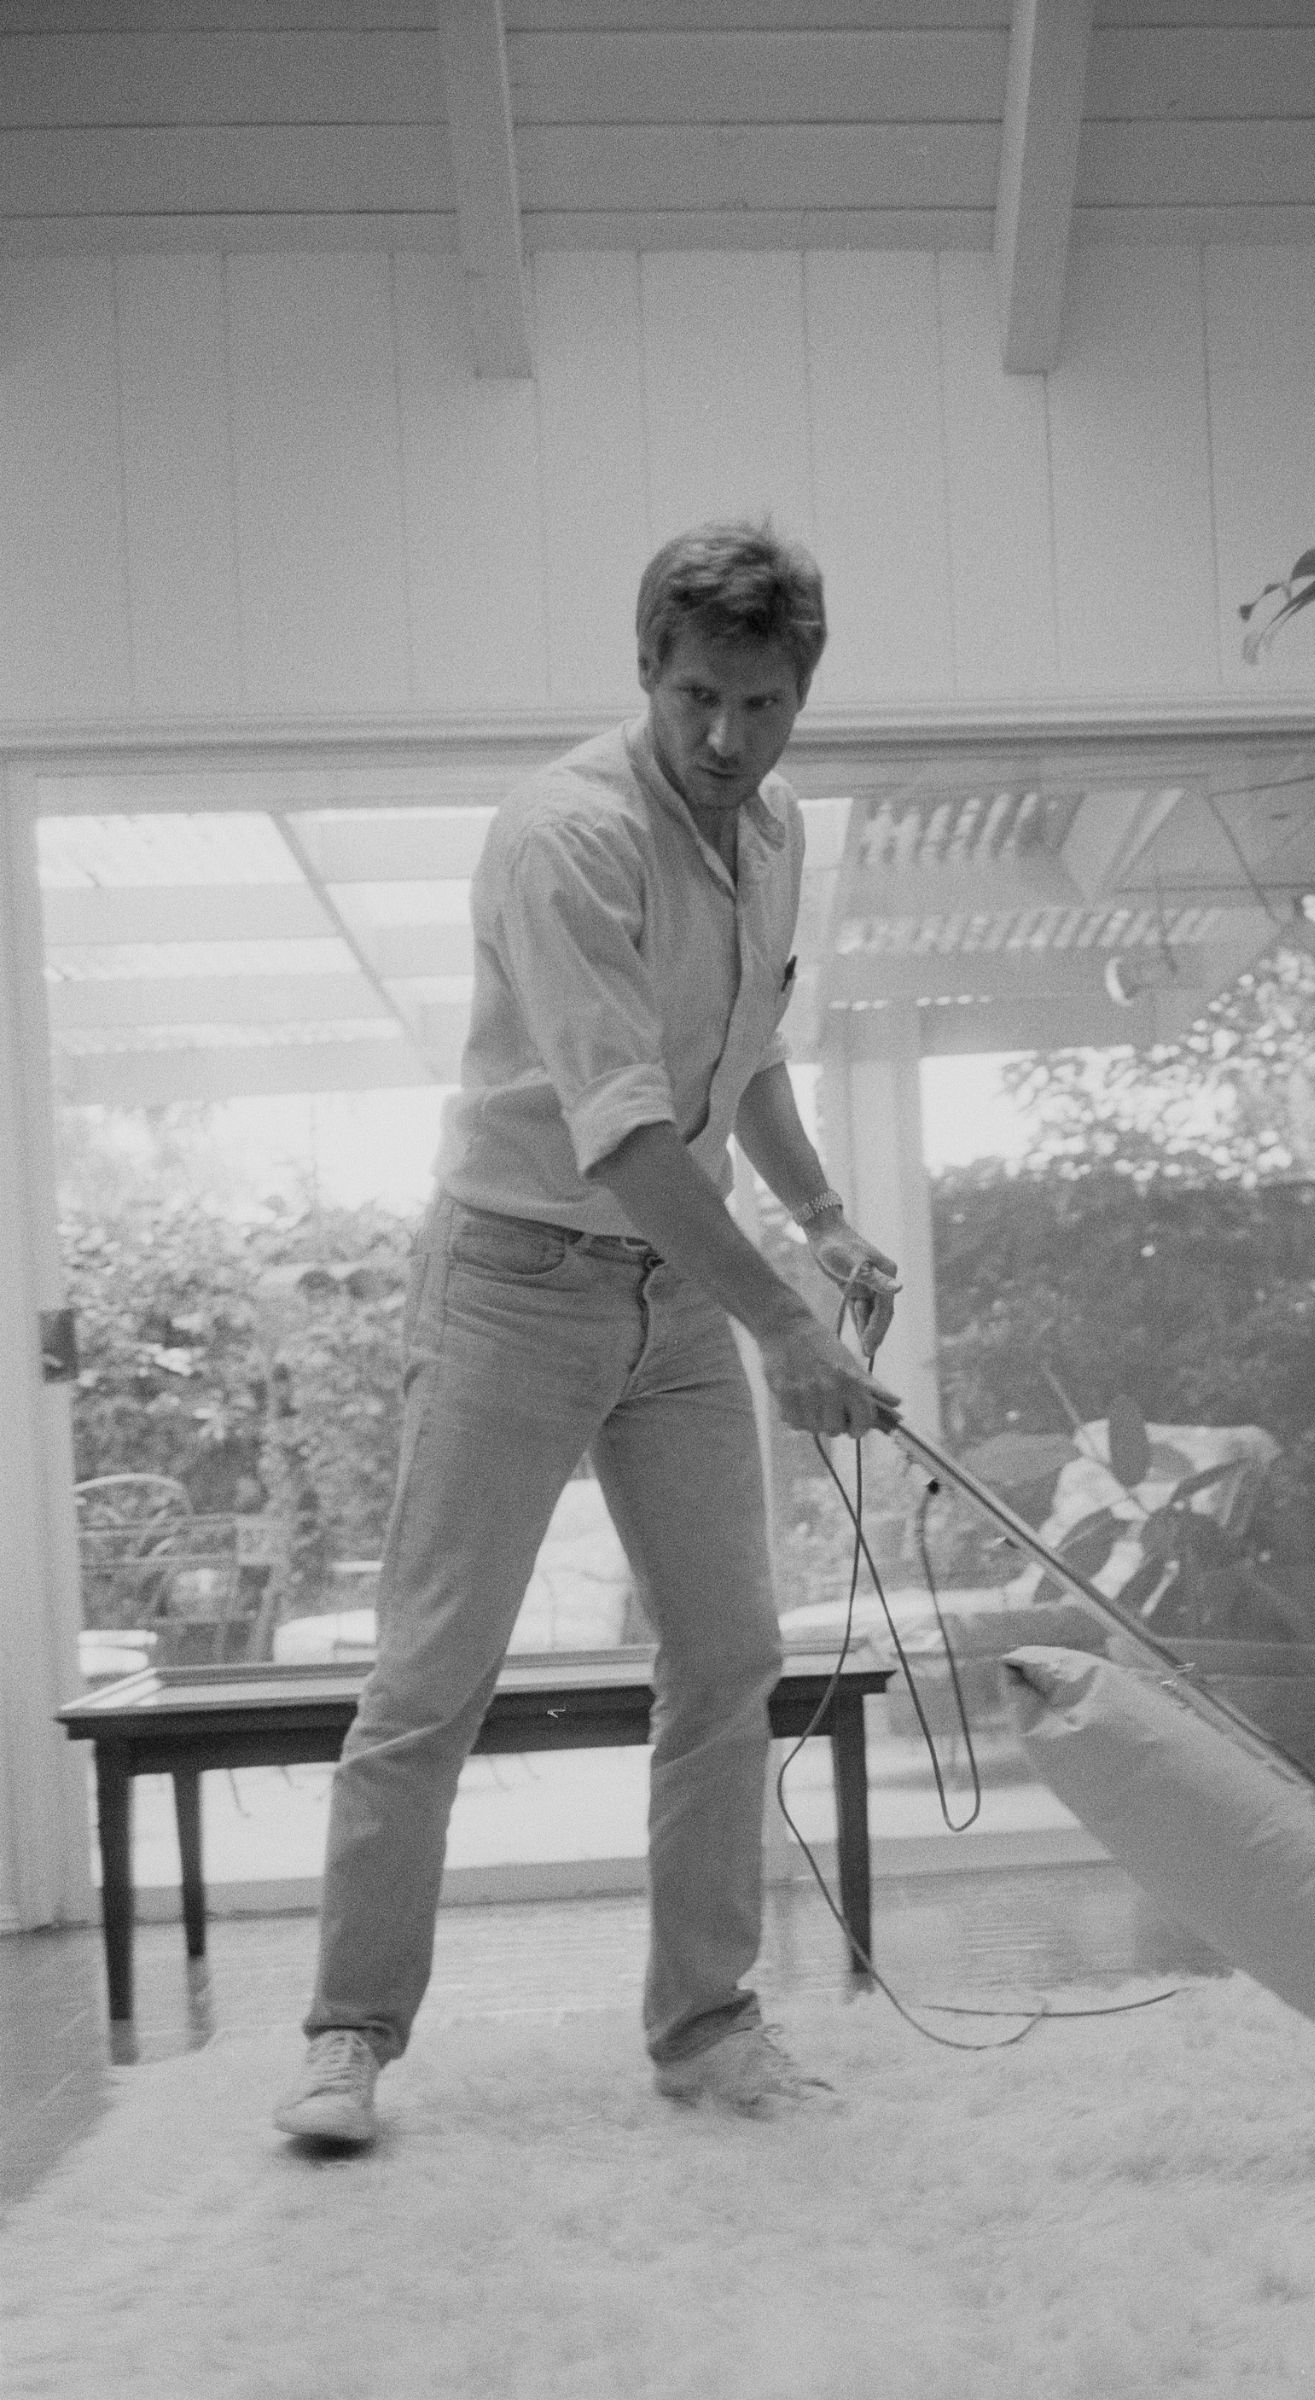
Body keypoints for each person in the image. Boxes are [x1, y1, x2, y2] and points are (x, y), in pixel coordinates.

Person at [274, 522, 900, 2147]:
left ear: (798, 698)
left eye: (761, 704)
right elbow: (623, 1130)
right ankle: (349, 2034)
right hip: (515, 1284)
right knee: (432, 1674)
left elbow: (743, 1062)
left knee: (730, 1658)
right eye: (697, 696)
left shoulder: (773, 833)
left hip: (676, 1300)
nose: (724, 738)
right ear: (646, 671)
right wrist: (789, 1328)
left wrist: (824, 1218)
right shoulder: (565, 837)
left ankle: (704, 2028)